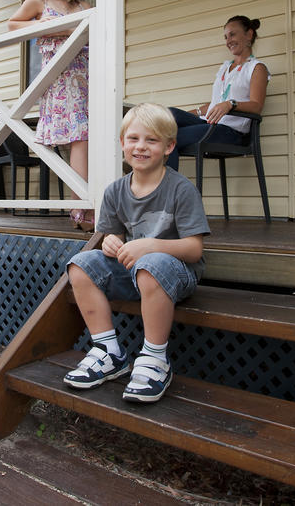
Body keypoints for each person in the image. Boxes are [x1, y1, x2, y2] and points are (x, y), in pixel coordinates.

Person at [64, 103, 210, 403]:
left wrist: (150, 245)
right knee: (80, 264)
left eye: (151, 140)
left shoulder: (181, 190)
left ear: (169, 147)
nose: (140, 147)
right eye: (133, 139)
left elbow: (195, 249)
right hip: (135, 272)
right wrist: (110, 243)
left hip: (176, 275)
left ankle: (156, 358)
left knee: (152, 263)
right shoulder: (115, 191)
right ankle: (108, 351)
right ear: (122, 143)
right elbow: (113, 235)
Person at [8, 0, 92, 230]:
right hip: (59, 79)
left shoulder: (81, 6)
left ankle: (87, 205)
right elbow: (12, 25)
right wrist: (48, 26)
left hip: (85, 77)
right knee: (78, 140)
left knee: (88, 142)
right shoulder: (38, 1)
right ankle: (81, 209)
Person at [167, 15, 269, 171]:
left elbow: (256, 106)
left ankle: (165, 191)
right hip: (210, 123)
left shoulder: (256, 68)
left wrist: (230, 104)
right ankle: (139, 160)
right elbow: (216, 103)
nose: (228, 41)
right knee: (168, 115)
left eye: (233, 34)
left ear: (249, 34)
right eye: (226, 37)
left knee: (168, 139)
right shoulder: (225, 67)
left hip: (231, 132)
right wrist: (184, 117)